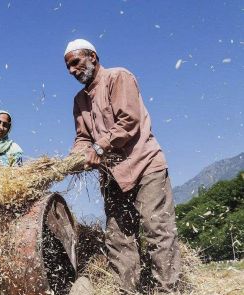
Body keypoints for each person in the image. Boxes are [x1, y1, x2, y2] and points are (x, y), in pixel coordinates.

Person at [64, 39, 180, 293]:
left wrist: (99, 147)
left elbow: (129, 120)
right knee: (118, 238)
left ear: (92, 57)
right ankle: (128, 291)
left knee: (156, 230)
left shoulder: (119, 77)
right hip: (112, 175)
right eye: (68, 68)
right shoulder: (79, 101)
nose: (72, 71)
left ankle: (166, 290)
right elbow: (83, 138)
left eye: (76, 63)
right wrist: (72, 159)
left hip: (144, 165)